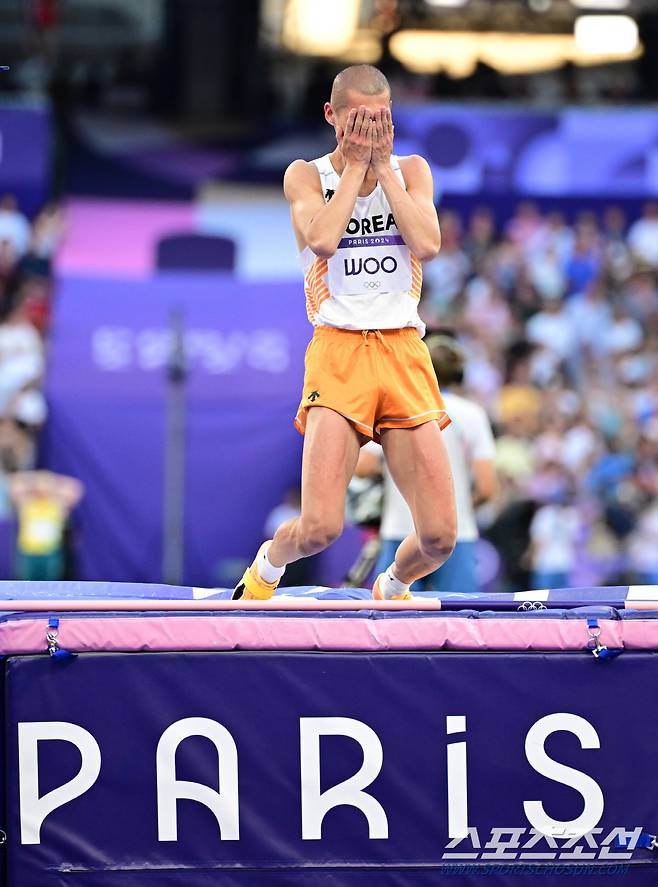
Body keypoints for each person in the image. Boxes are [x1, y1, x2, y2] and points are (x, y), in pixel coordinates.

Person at [233, 64, 456, 602]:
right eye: (357, 120)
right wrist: (357, 169)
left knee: (440, 537)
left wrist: (384, 169)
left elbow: (426, 244)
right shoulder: (305, 175)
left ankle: (392, 582)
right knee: (319, 530)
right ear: (331, 116)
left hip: (403, 348)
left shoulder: (414, 169)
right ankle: (266, 565)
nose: (369, 132)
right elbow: (324, 240)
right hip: (339, 351)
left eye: (380, 120)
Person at [356, 335, 497, 592]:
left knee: (393, 619)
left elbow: (362, 466)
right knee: (459, 619)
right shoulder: (472, 414)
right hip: (457, 533)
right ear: (459, 372)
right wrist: (453, 509)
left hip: (400, 529)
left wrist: (394, 470)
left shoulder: (398, 409)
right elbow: (487, 488)